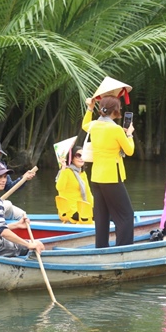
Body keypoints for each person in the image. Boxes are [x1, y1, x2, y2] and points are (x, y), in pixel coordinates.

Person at [82, 95, 135, 247]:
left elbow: (84, 124)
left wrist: (90, 108)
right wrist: (129, 134)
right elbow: (129, 151)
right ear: (116, 111)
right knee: (126, 215)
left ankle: (101, 248)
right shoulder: (117, 129)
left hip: (97, 177)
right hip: (112, 176)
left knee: (101, 216)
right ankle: (123, 249)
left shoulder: (93, 125)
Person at [55, 145, 94, 223]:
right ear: (72, 158)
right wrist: (63, 168)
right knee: (106, 215)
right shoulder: (66, 171)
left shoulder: (82, 173)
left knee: (107, 211)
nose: (81, 158)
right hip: (71, 211)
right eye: (78, 155)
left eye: (83, 155)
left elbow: (88, 193)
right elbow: (59, 187)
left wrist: (93, 207)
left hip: (83, 209)